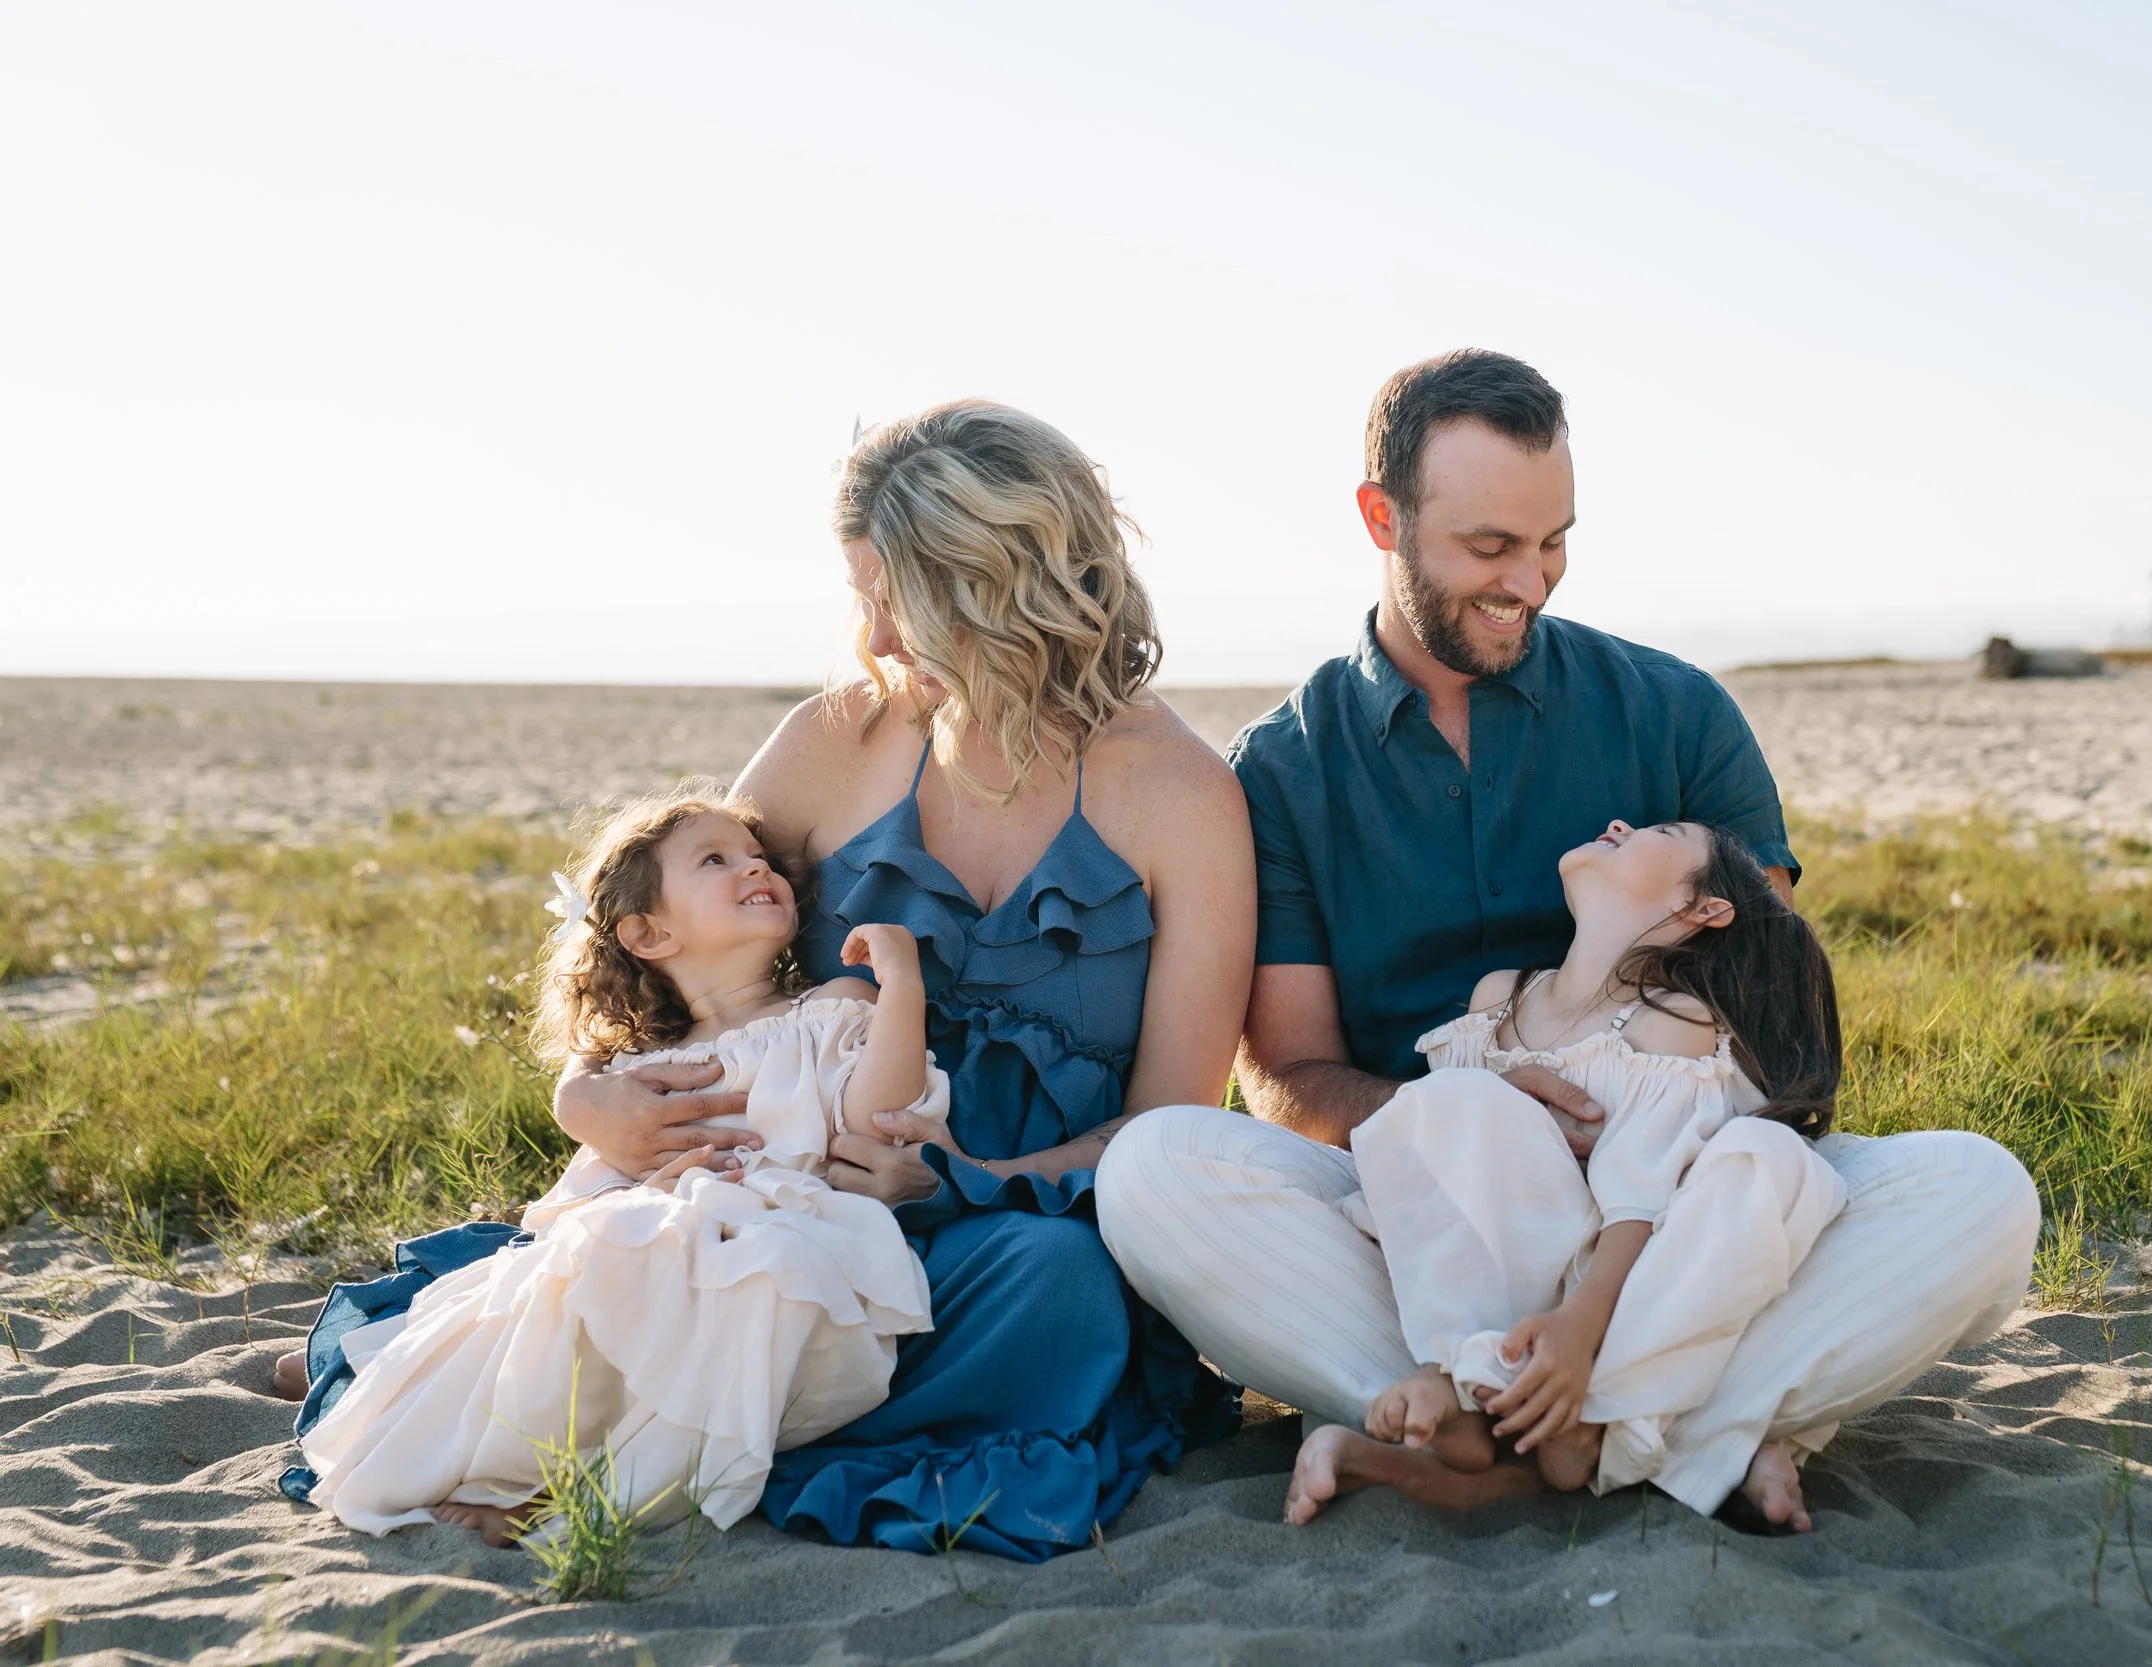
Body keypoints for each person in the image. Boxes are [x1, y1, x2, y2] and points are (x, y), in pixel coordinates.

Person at [1097, 348, 2039, 1535]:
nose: (1529, 582)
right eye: (1491, 547)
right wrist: (1476, 1105)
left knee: (1977, 1192)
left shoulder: (1676, 710)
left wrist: (1634, 1160)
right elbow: (1285, 1071)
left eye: (1554, 543)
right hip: (1424, 1211)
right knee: (1155, 1171)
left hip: (1681, 1189)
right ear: (1380, 517)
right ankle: (1694, 1425)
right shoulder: (1282, 769)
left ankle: (1505, 1424)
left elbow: (1772, 1012)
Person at [544, 401, 1255, 1561]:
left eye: (899, 598)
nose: (872, 635)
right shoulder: (837, 741)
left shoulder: (1179, 795)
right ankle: (643, 1396)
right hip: (783, 1207)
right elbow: (665, 946)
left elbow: (1173, 1117)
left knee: (1062, 1291)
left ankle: (683, 1422)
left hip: (1006, 1235)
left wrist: (962, 1178)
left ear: (1003, 583)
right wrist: (586, 1092)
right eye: (861, 593)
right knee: (658, 1249)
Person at [290, 790, 941, 1542]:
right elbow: (583, 1202)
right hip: (658, 1239)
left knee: (751, 1280)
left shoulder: (829, 1005)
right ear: (649, 932)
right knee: (580, 1272)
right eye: (716, 859)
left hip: (786, 1230)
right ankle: (533, 1471)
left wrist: (904, 988)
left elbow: (877, 1117)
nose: (755, 866)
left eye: (760, 857)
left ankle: (585, 1495)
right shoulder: (643, 1074)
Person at [1350, 819, 1848, 1529]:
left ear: (1703, 908)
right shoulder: (1498, 999)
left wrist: (1581, 1323)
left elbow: (1638, 1199)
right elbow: (1441, 1163)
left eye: (1661, 829)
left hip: (1609, 1284)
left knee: (1771, 1169)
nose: (1619, 824)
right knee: (1446, 1103)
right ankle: (1478, 1382)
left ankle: (1540, 1404)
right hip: (1497, 1265)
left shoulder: (1673, 1020)